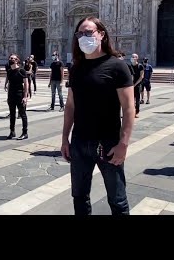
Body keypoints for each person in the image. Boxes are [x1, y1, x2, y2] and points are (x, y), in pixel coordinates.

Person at [61, 16, 134, 215]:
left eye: (88, 32)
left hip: (108, 143)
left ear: (101, 34)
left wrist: (123, 144)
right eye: (79, 34)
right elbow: (70, 106)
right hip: (80, 142)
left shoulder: (117, 66)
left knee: (117, 199)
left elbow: (129, 109)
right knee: (79, 196)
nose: (83, 37)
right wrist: (65, 139)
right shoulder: (76, 69)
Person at [5, 53, 29, 140]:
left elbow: (26, 84)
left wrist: (25, 96)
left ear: (17, 60)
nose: (11, 60)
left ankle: (25, 132)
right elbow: (9, 84)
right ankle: (12, 131)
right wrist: (8, 97)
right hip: (11, 95)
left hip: (19, 94)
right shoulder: (9, 71)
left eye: (13, 58)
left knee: (22, 114)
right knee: (12, 114)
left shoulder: (21, 71)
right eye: (10, 58)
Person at [130, 53, 144, 118]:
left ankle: (136, 112)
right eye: (132, 57)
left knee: (137, 99)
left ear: (137, 58)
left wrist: (135, 84)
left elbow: (141, 77)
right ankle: (132, 112)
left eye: (134, 57)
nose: (133, 58)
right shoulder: (130, 66)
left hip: (138, 85)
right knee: (131, 100)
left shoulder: (140, 66)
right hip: (130, 85)